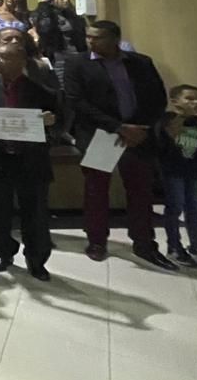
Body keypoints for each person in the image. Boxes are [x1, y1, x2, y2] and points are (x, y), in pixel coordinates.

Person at [64, 20, 175, 270]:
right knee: (96, 190)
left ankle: (144, 242)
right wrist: (118, 127)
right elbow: (76, 101)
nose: (91, 41)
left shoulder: (141, 62)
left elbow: (157, 97)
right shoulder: (78, 63)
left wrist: (139, 127)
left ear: (115, 39)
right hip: (101, 134)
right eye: (89, 37)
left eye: (98, 37)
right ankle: (97, 241)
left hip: (138, 134)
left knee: (140, 190)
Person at [0, 43, 59, 281]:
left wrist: (51, 122)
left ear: (20, 61)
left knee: (35, 214)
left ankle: (36, 259)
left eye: (2, 57)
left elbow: (60, 120)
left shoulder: (41, 91)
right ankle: (2, 252)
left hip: (31, 161)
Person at [156, 85, 197, 266]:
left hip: (194, 171)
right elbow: (172, 134)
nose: (195, 102)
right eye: (189, 99)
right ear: (175, 101)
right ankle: (174, 246)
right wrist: (184, 116)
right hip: (173, 171)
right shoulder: (168, 118)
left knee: (195, 208)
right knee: (175, 206)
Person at [33, 0, 87, 75]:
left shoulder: (70, 16)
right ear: (51, 1)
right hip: (57, 55)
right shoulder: (44, 16)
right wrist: (44, 7)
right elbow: (45, 30)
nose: (66, 1)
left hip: (74, 52)